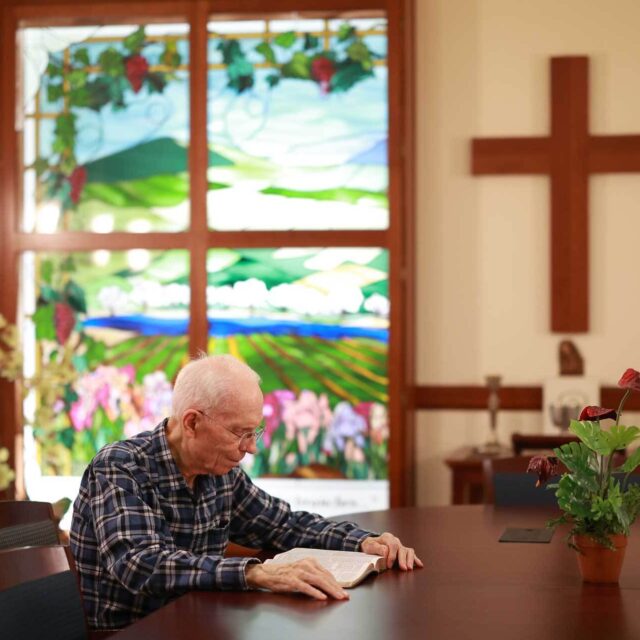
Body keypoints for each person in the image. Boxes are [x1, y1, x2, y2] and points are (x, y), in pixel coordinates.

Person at [70, 355, 422, 630]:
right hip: (134, 632)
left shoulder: (219, 471)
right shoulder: (121, 467)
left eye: (255, 432)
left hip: (200, 624)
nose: (251, 448)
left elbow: (283, 524)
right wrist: (254, 573)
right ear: (192, 422)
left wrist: (362, 542)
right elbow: (142, 565)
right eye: (241, 433)